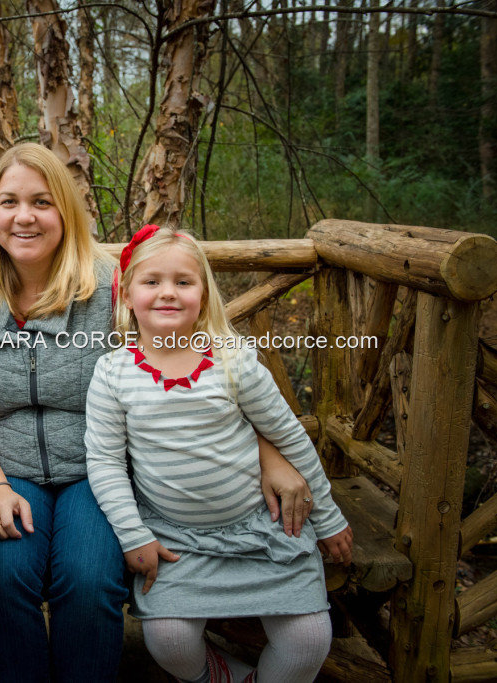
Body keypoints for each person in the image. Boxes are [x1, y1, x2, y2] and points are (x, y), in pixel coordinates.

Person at [0, 144, 317, 682]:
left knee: (89, 579)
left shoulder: (111, 287)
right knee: (5, 577)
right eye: (10, 202)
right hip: (8, 470)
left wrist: (269, 452)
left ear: (65, 212)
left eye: (42, 202)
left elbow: (203, 369)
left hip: (101, 472)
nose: (24, 216)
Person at [85, 225, 355, 683]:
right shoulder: (113, 373)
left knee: (308, 640)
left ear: (204, 296)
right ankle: (223, 677)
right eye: (152, 282)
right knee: (168, 641)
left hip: (264, 532)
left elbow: (287, 436)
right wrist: (133, 536)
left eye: (183, 282)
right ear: (127, 295)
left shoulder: (233, 360)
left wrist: (328, 517)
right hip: (176, 540)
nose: (168, 293)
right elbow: (106, 462)